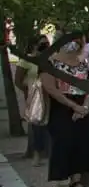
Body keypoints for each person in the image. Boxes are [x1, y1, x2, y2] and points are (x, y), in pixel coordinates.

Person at [40, 38, 89, 187]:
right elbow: (50, 88)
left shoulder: (85, 62)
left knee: (81, 143)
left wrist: (84, 107)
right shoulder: (49, 63)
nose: (74, 44)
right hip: (60, 108)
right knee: (61, 144)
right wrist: (73, 106)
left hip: (83, 107)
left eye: (77, 41)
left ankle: (75, 182)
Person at [14, 38, 51, 167]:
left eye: (47, 44)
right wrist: (29, 92)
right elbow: (18, 81)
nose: (45, 47)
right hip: (36, 97)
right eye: (42, 44)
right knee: (37, 126)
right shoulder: (27, 60)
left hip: (50, 96)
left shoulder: (50, 59)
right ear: (34, 45)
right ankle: (36, 155)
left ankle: (50, 152)